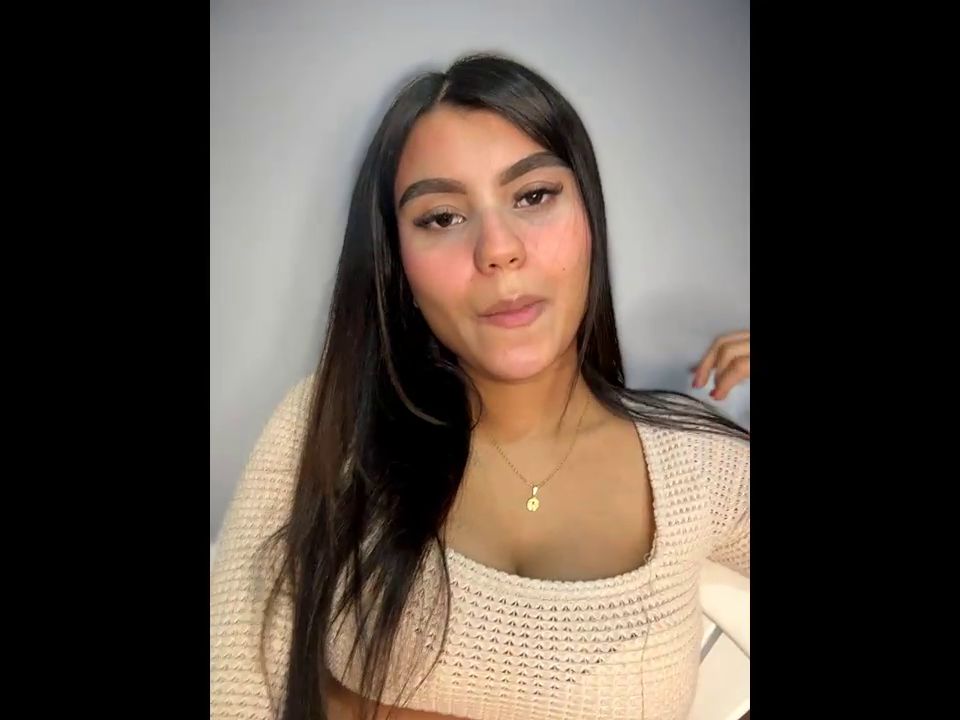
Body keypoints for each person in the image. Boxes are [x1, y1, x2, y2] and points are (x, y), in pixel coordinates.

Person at [211, 53, 750, 720]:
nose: (497, 249)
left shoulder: (701, 466)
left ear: (589, 216)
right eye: (441, 217)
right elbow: (234, 690)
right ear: (397, 262)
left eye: (533, 196)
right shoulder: (328, 425)